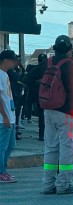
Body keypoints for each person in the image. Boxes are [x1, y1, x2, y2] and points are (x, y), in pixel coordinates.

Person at [40, 35, 73, 195]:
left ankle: (47, 185)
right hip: (66, 113)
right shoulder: (70, 65)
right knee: (68, 148)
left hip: (48, 111)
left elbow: (28, 78)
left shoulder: (48, 62)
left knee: (50, 148)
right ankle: (63, 185)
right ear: (70, 49)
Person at [0, 50, 18, 183]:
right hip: (3, 118)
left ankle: (3, 170)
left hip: (10, 116)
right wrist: (5, 116)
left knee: (11, 145)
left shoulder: (5, 74)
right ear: (5, 60)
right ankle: (1, 172)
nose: (15, 63)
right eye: (13, 60)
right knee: (2, 146)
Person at [23, 54, 47, 141]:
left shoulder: (53, 68)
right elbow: (26, 80)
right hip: (40, 95)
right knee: (42, 115)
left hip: (47, 96)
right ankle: (42, 134)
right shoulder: (37, 69)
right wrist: (36, 83)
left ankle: (43, 134)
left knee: (44, 115)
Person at [7, 57, 25, 140]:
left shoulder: (16, 70)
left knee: (16, 114)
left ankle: (15, 130)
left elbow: (23, 75)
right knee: (13, 114)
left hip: (17, 94)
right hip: (12, 95)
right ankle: (13, 132)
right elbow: (15, 81)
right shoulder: (10, 70)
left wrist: (22, 67)